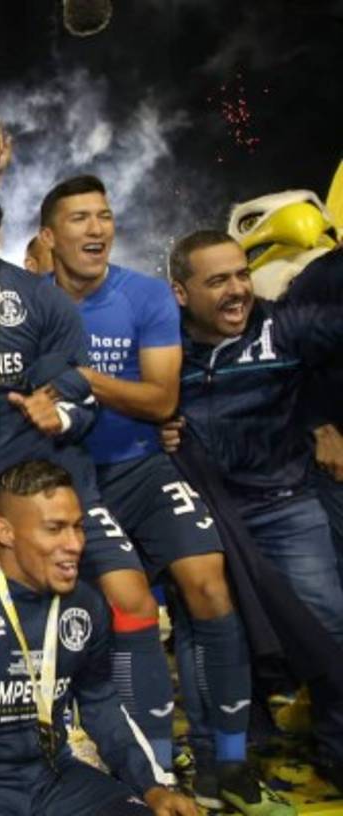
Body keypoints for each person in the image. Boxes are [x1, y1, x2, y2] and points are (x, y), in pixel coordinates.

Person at [40, 175, 283, 811]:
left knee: (209, 582)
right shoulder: (31, 302)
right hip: (72, 482)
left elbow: (161, 399)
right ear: (48, 236)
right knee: (133, 609)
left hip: (144, 469)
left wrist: (84, 379)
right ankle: (153, 772)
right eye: (79, 219)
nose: (96, 229)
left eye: (104, 216)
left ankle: (227, 759)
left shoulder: (144, 296)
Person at [0, 178, 177, 758]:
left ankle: (155, 762)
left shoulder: (41, 301)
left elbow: (83, 397)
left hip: (54, 490)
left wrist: (58, 416)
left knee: (132, 597)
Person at [0, 460, 196, 816]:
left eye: (79, 528)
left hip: (54, 777)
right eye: (55, 529)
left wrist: (152, 786)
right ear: (5, 532)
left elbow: (101, 704)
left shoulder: (86, 605)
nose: (75, 544)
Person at [166, 229, 343, 788]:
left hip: (286, 505)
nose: (238, 290)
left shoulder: (285, 328)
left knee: (329, 627)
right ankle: (221, 760)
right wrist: (157, 425)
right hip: (209, 515)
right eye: (218, 280)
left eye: (241, 274)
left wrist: (320, 418)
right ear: (180, 293)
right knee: (212, 633)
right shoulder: (161, 347)